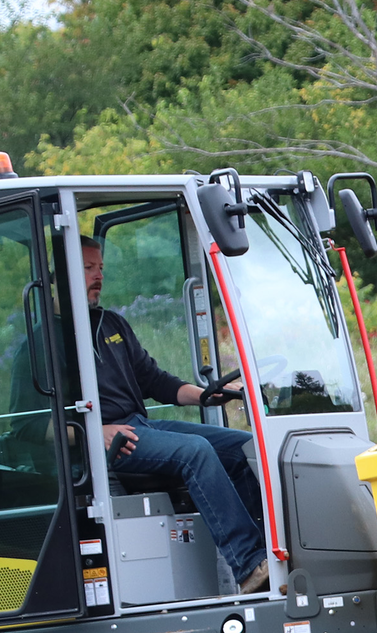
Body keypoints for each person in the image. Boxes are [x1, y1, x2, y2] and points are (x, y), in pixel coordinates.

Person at [81, 239, 269, 595]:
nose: (99, 276)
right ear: (63, 275)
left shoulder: (111, 324)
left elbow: (154, 380)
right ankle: (248, 566)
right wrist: (96, 431)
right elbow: (33, 426)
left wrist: (206, 395)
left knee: (243, 447)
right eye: (89, 268)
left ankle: (265, 560)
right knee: (194, 450)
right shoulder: (47, 340)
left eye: (101, 268)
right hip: (111, 442)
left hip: (140, 426)